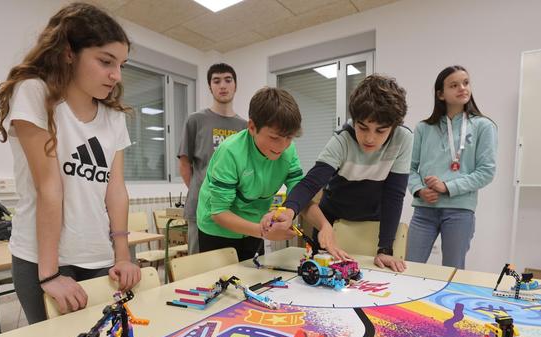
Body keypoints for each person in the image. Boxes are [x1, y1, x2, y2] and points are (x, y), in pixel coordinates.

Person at [0, 2, 141, 324]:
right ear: (69, 52)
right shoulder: (36, 93)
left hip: (98, 254)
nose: (115, 75)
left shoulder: (114, 117)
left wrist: (123, 257)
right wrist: (49, 274)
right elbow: (49, 188)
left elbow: (116, 192)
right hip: (41, 259)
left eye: (121, 65)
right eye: (105, 61)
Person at [262, 75, 412, 272]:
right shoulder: (342, 139)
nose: (369, 138)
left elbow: (394, 195)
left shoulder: (403, 139)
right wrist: (289, 211)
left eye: (380, 131)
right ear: (354, 120)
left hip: (371, 222)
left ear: (394, 126)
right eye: (362, 127)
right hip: (332, 219)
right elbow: (310, 183)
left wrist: (385, 247)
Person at [196, 87, 303, 261]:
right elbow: (219, 212)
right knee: (220, 284)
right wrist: (264, 231)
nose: (283, 146)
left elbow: (298, 187)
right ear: (252, 127)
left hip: (255, 223)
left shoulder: (288, 149)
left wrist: (289, 212)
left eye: (289, 137)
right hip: (217, 229)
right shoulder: (230, 152)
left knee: (255, 280)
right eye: (275, 138)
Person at [406, 65, 497, 269]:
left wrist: (446, 187)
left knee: (453, 271)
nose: (462, 88)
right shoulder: (423, 128)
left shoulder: (484, 126)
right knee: (410, 268)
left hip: (460, 210)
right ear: (440, 94)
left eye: (465, 83)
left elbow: (486, 172)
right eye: (454, 85)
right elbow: (409, 169)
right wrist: (419, 190)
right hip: (424, 210)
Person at [178, 63, 247, 255]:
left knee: (232, 264)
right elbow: (184, 164)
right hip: (201, 208)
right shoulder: (196, 120)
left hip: (233, 210)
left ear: (236, 85)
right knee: (199, 266)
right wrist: (202, 194)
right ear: (210, 87)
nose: (222, 85)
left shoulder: (244, 126)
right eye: (216, 81)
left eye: (228, 80)